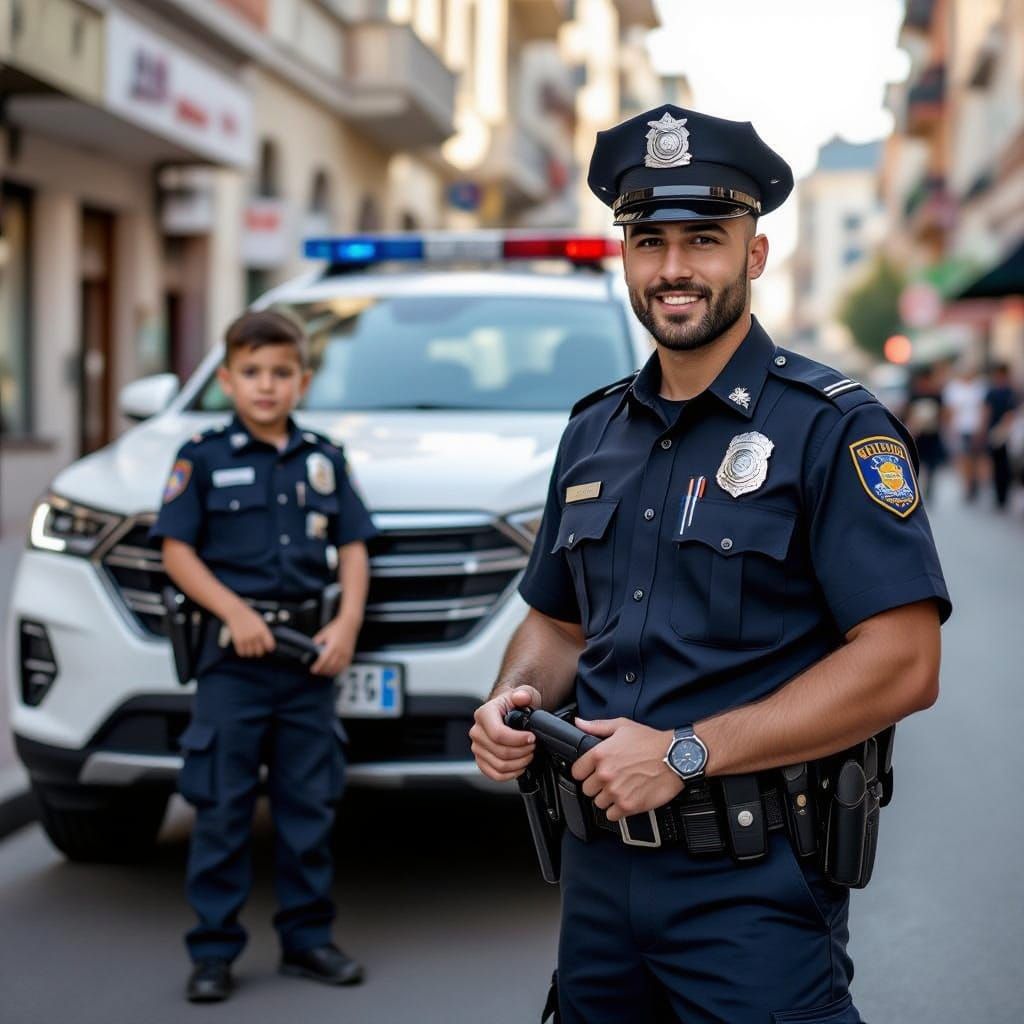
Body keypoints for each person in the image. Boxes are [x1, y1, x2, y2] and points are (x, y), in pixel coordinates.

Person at [470, 104, 952, 1024]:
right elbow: (557, 623)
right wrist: (513, 700)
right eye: (649, 240)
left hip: (754, 890)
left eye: (705, 239)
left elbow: (904, 661)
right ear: (625, 256)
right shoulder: (591, 432)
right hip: (598, 881)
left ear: (755, 256)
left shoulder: (833, 427)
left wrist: (686, 754)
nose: (675, 268)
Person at [151, 310, 376, 1002]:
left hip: (309, 664)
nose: (267, 386)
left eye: (281, 373)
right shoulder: (202, 457)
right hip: (234, 665)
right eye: (251, 373)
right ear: (226, 380)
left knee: (308, 808)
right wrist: (235, 613)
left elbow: (354, 547)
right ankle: (214, 951)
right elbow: (176, 551)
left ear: (302, 381)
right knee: (220, 809)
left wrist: (346, 625)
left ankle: (308, 940)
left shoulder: (323, 457)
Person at [942, 360, 987, 501]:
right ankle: (968, 486)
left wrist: (983, 426)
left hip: (976, 427)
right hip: (960, 428)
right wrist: (949, 428)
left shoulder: (980, 387)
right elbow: (949, 410)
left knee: (978, 458)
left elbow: (984, 408)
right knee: (964, 457)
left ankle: (976, 483)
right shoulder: (953, 388)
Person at [904, 363, 947, 500]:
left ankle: (929, 491)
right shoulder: (914, 395)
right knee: (914, 463)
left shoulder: (937, 395)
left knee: (931, 465)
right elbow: (907, 412)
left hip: (932, 434)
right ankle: (914, 489)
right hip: (916, 435)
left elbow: (943, 414)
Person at [982, 362, 1018, 510]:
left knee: (1001, 465)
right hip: (1005, 432)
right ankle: (1001, 496)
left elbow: (987, 412)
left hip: (1002, 432)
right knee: (1001, 465)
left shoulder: (998, 391)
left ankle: (1001, 497)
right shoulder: (1010, 391)